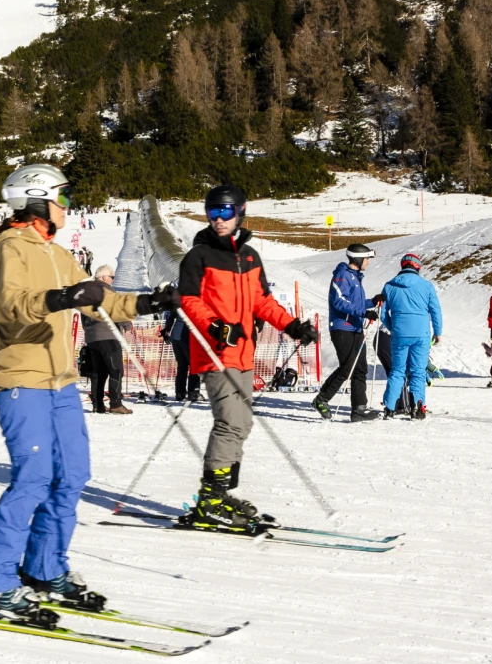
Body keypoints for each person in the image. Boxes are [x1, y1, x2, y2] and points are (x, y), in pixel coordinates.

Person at [0, 163, 173, 620]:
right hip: (21, 378)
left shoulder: (58, 253)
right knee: (33, 476)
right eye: (64, 198)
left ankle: (44, 568)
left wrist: (150, 302)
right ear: (36, 201)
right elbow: (15, 309)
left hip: (62, 381)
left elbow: (101, 301)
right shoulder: (9, 249)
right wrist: (61, 298)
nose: (68, 208)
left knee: (73, 473)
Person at [178, 185, 319, 525]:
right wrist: (216, 327)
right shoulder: (198, 256)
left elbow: (261, 302)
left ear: (240, 212)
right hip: (215, 353)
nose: (218, 219)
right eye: (212, 212)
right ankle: (210, 499)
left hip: (243, 355)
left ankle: (222, 493)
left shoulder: (250, 256)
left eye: (225, 212)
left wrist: (292, 326)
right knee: (229, 422)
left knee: (242, 423)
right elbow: (188, 301)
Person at [312, 244, 381, 422]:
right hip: (342, 327)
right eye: (367, 259)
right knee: (347, 368)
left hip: (356, 327)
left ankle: (359, 409)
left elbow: (355, 304)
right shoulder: (342, 275)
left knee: (360, 369)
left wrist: (372, 302)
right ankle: (322, 399)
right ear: (358, 259)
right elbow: (339, 301)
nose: (368, 262)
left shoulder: (356, 278)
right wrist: (363, 312)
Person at [379, 253, 443, 419]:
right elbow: (435, 310)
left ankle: (389, 407)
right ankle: (418, 406)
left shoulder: (389, 286)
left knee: (397, 371)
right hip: (421, 334)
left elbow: (383, 313)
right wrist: (438, 332)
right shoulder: (426, 286)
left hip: (400, 333)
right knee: (418, 371)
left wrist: (393, 327)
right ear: (417, 267)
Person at [81, 265, 132, 415]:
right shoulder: (106, 291)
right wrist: (126, 324)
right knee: (116, 370)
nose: (113, 280)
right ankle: (115, 403)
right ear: (104, 278)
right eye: (112, 277)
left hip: (92, 338)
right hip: (108, 336)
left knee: (98, 373)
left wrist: (89, 332)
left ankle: (98, 405)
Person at [162, 306, 200, 405]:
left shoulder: (177, 302)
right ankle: (193, 393)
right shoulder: (194, 302)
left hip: (175, 336)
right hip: (187, 337)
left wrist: (166, 331)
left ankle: (180, 393)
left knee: (182, 366)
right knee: (194, 366)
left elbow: (170, 317)